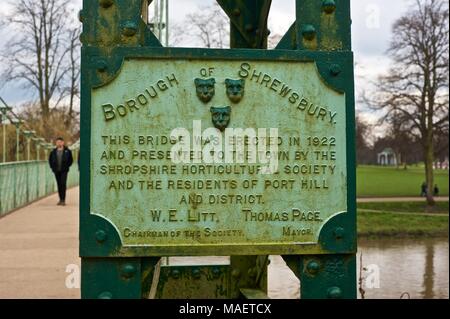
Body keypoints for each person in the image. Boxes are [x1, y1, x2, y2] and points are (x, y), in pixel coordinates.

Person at [48, 137, 73, 206]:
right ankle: (60, 199)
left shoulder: (67, 151)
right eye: (57, 142)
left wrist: (67, 166)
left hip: (64, 171)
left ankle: (63, 200)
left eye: (60, 142)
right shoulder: (53, 152)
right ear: (56, 143)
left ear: (63, 142)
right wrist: (52, 168)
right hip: (56, 170)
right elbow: (50, 160)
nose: (58, 143)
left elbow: (71, 160)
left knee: (63, 184)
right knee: (59, 184)